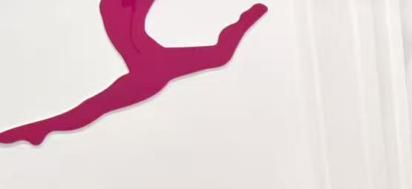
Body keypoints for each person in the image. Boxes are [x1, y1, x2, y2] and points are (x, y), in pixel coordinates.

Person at [0, 0, 267, 146]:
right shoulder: (116, 8)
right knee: (95, 107)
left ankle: (40, 130)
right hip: (146, 60)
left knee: (95, 107)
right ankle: (40, 130)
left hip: (148, 62)